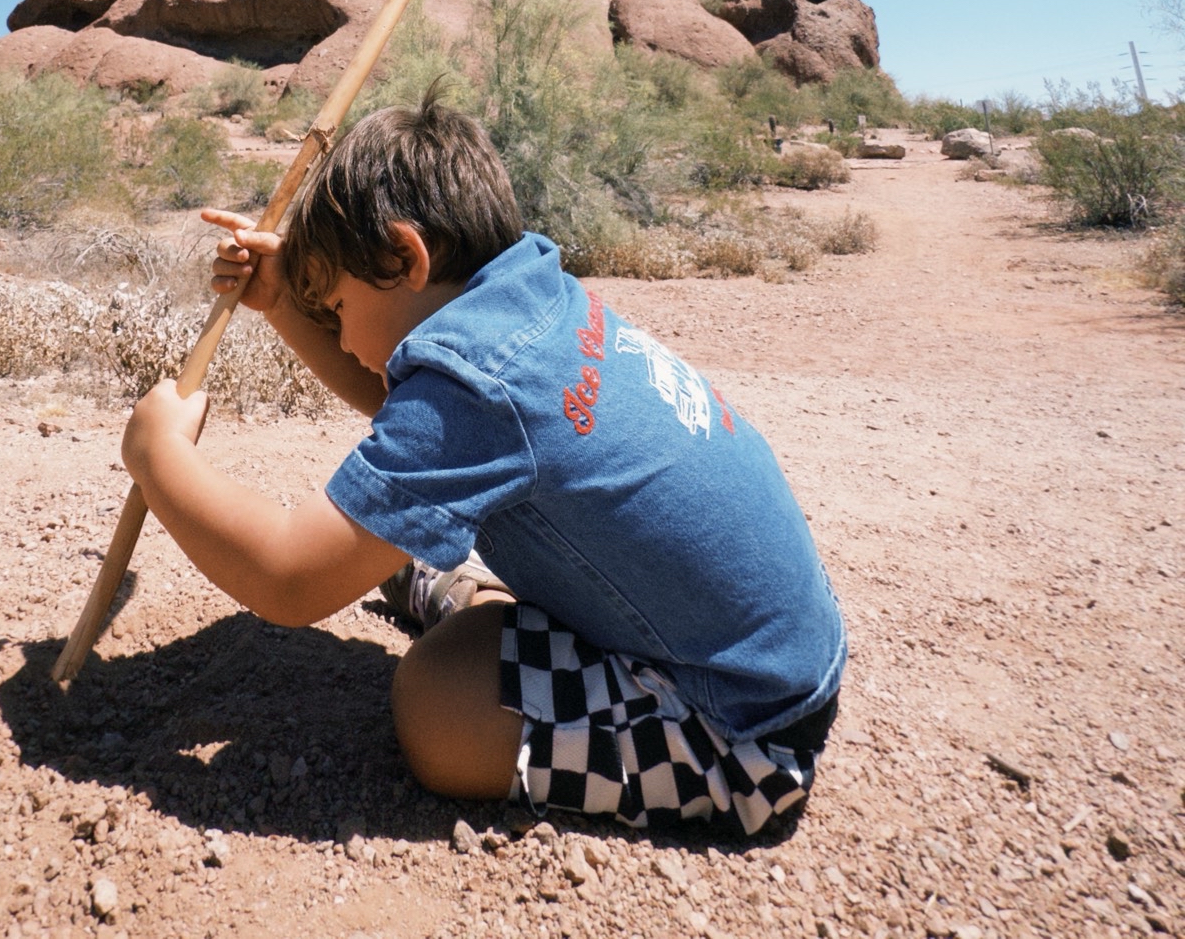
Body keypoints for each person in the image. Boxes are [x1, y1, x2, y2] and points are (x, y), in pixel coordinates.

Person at [120, 95, 845, 836]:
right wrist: (284, 303)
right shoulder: (526, 295)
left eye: (336, 308)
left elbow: (287, 577)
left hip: (743, 729)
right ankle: (470, 598)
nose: (340, 338)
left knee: (439, 710)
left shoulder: (478, 390)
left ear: (405, 257)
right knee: (455, 630)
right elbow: (398, 399)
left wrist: (159, 456)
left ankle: (475, 605)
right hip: (772, 654)